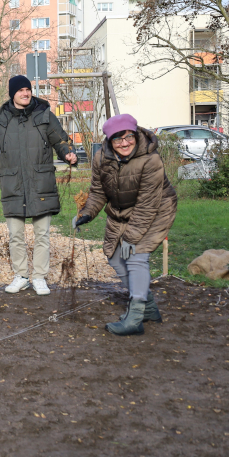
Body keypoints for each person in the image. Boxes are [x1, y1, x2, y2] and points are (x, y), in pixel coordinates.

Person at [0, 75, 77, 296]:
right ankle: (21, 276)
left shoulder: (44, 114)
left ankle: (39, 277)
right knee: (16, 235)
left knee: (42, 234)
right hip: (13, 184)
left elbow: (60, 140)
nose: (25, 93)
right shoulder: (2, 119)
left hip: (41, 182)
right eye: (20, 90)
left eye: (27, 89)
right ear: (12, 94)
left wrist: (68, 153)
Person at [74, 114, 177, 336]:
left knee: (136, 256)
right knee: (115, 256)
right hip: (121, 211)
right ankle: (148, 308)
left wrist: (131, 238)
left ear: (135, 134)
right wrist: (87, 213)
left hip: (156, 209)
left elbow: (147, 205)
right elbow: (98, 191)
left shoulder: (151, 160)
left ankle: (135, 318)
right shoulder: (101, 158)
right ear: (109, 141)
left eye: (128, 137)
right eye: (117, 140)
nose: (124, 143)